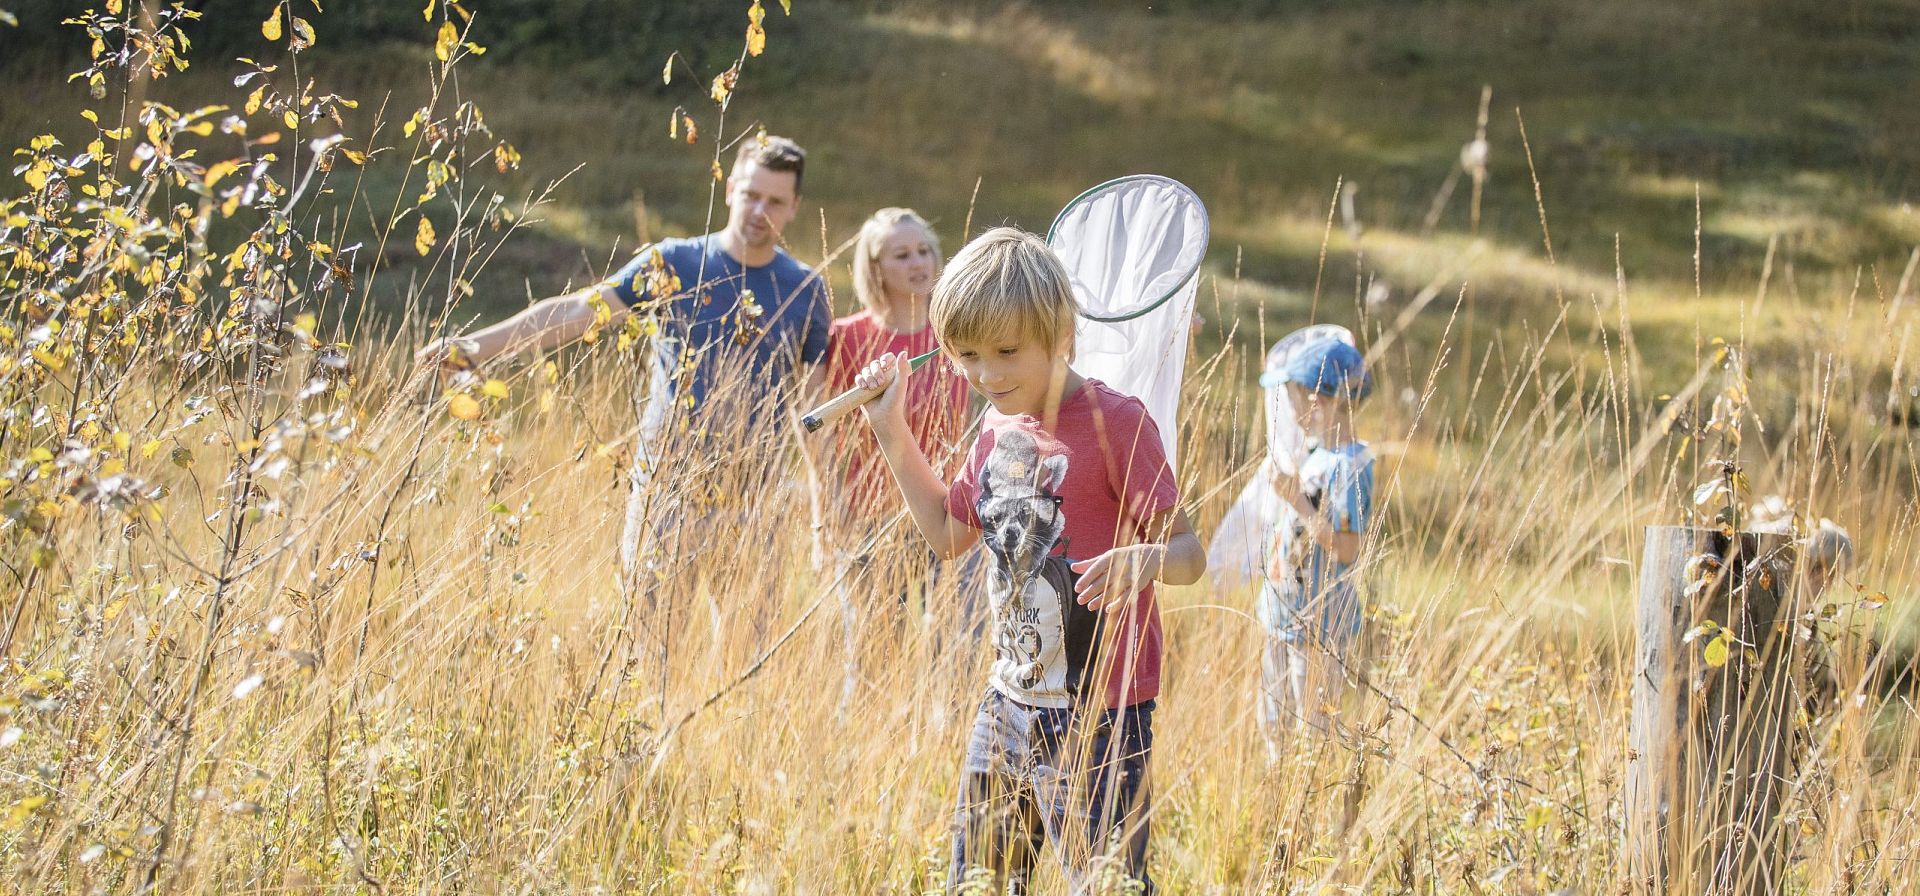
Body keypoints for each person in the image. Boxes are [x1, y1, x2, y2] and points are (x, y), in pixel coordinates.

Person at [849, 227, 1205, 893]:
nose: (988, 374)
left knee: (1103, 882)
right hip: (1005, 703)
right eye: (968, 355)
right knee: (978, 880)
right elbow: (949, 535)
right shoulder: (994, 425)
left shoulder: (1117, 423)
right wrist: (889, 431)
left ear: (1060, 332)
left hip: (1099, 716)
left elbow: (1190, 555)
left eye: (1007, 352)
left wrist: (1148, 557)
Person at [412, 135, 831, 575]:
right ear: (729, 190)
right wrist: (475, 347)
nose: (760, 212)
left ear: (795, 206)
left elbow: (816, 414)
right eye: (750, 195)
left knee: (748, 645)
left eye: (775, 201)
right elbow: (578, 311)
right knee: (649, 644)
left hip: (755, 507)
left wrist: (823, 513)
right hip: (666, 495)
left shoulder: (805, 289)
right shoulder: (675, 264)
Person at [1255, 336, 1375, 754]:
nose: (1289, 410)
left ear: (1318, 402)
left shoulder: (1351, 465)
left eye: (1292, 399)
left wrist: (1296, 499)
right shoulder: (1314, 453)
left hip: (1319, 628)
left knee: (1313, 730)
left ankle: (1303, 812)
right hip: (1282, 615)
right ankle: (1275, 801)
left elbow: (1345, 548)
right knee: (1274, 723)